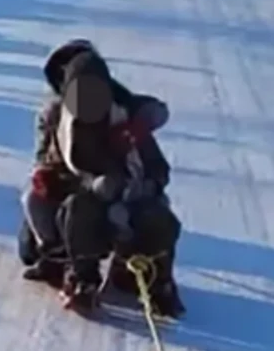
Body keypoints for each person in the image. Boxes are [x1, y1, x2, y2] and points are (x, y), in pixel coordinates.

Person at [19, 40, 184, 316]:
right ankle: (79, 274)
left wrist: (145, 185)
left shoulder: (126, 119)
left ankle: (154, 279)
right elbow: (46, 164)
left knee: (156, 217)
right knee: (70, 211)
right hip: (81, 195)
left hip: (130, 193)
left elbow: (158, 167)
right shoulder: (56, 120)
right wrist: (64, 182)